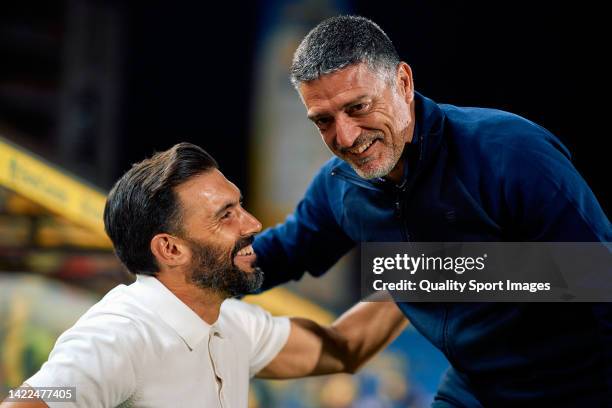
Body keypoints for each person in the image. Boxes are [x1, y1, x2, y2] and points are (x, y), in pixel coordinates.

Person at [252, 15, 612, 406]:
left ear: (403, 83)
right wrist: (186, 277)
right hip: (474, 388)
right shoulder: (339, 186)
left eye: (358, 107)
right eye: (323, 120)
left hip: (581, 387)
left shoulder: (510, 151)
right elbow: (277, 255)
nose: (346, 137)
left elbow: (598, 273)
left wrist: (433, 270)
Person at [1, 143, 407, 408]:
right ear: (170, 249)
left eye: (240, 206)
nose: (252, 223)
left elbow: (344, 348)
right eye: (225, 216)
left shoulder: (229, 325)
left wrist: (445, 265)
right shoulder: (119, 336)